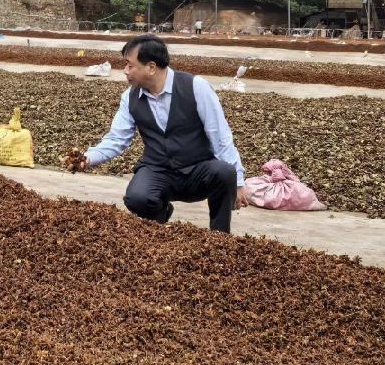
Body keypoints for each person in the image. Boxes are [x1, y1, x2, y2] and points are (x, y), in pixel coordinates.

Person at [65, 33, 249, 233]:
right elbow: (116, 139)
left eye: (130, 65)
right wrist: (88, 158)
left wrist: (237, 183)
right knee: (137, 197)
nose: (125, 71)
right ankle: (160, 223)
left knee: (224, 172)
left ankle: (220, 237)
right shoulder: (130, 97)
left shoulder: (196, 87)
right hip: (158, 170)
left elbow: (220, 137)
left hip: (198, 170)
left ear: (151, 67)